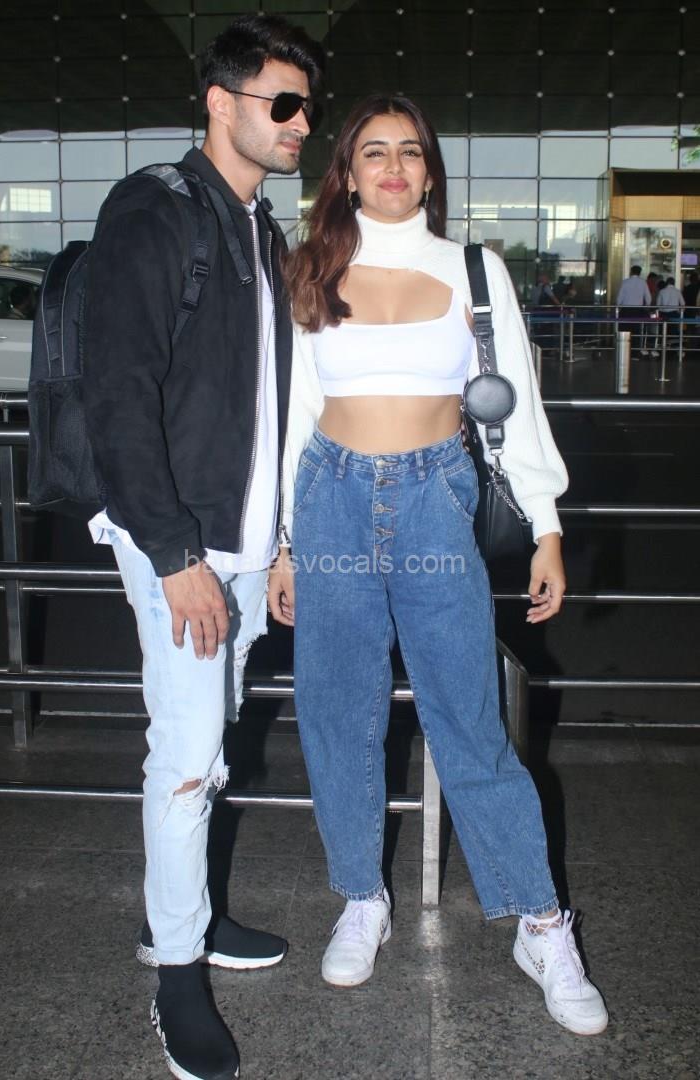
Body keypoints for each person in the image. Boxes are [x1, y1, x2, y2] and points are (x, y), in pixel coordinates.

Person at [269, 94, 608, 1037]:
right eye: (373, 152)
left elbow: (513, 404)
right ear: (345, 173)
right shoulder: (310, 267)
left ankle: (540, 922)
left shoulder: (472, 268)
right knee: (337, 714)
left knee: (467, 717)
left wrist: (544, 526)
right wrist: (284, 544)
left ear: (428, 172)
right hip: (330, 494)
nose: (392, 167)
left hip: (433, 497)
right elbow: (292, 413)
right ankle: (360, 897)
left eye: (409, 152)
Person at [82, 16, 323, 1080]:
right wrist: (177, 555)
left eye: (306, 105)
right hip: (177, 541)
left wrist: (276, 545)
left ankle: (181, 914)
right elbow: (118, 394)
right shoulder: (156, 210)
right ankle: (176, 973)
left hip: (237, 542)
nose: (301, 122)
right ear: (220, 102)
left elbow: (267, 408)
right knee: (184, 758)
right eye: (283, 102)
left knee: (211, 742)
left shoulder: (258, 231)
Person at [617, 265, 652, 356]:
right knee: (636, 332)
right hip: (638, 311)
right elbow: (648, 297)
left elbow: (620, 297)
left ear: (631, 272)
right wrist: (647, 306)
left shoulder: (625, 282)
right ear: (640, 273)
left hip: (626, 311)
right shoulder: (643, 283)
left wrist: (618, 306)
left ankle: (624, 352)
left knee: (625, 331)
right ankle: (635, 352)